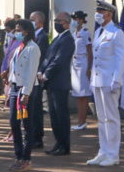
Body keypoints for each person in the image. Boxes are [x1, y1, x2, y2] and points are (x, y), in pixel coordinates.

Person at [87, 0, 124, 167]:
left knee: (111, 118)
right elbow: (96, 58)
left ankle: (113, 154)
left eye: (100, 11)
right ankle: (103, 152)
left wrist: (116, 80)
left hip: (110, 81)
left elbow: (121, 58)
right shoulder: (98, 32)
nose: (97, 14)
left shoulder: (117, 33)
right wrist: (92, 80)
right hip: (98, 81)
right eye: (97, 10)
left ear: (109, 14)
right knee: (102, 118)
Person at [38, 11, 76, 156]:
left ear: (66, 23)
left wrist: (46, 74)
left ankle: (64, 146)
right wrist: (41, 71)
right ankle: (58, 143)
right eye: (55, 20)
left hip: (59, 82)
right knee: (54, 116)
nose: (56, 23)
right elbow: (48, 58)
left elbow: (59, 60)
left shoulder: (67, 39)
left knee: (61, 116)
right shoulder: (57, 38)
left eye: (58, 21)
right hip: (51, 82)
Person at [7, 19, 41, 172]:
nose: (16, 32)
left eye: (19, 29)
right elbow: (13, 69)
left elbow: (31, 72)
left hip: (25, 89)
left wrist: (26, 93)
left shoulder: (33, 48)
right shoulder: (19, 47)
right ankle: (18, 155)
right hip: (15, 88)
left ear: (27, 31)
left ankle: (26, 158)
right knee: (14, 123)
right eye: (15, 29)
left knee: (27, 125)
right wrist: (9, 91)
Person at [28, 11, 49, 149]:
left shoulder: (42, 36)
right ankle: (31, 135)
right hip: (29, 76)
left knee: (36, 109)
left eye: (32, 19)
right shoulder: (32, 36)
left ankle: (37, 137)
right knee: (30, 109)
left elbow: (40, 57)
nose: (30, 21)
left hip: (35, 76)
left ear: (40, 22)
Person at [70, 11, 93, 130]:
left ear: (82, 20)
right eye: (74, 19)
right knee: (78, 94)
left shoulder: (85, 33)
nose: (75, 21)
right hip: (74, 63)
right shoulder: (74, 33)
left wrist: (89, 67)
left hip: (83, 62)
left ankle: (83, 121)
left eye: (77, 19)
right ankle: (79, 121)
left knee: (84, 94)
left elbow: (89, 50)